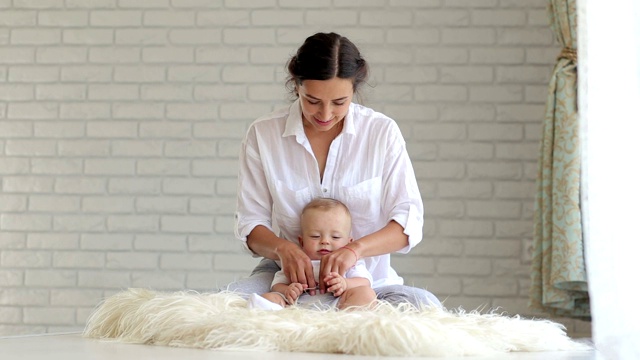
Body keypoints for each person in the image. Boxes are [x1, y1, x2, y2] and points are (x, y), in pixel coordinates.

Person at [231, 31, 441, 308]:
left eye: (339, 102)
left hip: (366, 281)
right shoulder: (264, 133)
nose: (325, 114)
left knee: (426, 306)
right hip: (287, 279)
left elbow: (408, 224)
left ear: (354, 90)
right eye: (313, 101)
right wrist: (284, 250)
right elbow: (250, 224)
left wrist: (355, 250)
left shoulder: (381, 132)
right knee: (226, 304)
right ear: (297, 86)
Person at [249, 198, 376, 310]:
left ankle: (349, 322)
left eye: (335, 237)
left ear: (349, 242)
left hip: (337, 305)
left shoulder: (348, 262)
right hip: (297, 306)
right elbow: (276, 285)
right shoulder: (298, 262)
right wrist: (288, 290)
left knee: (366, 294)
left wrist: (345, 283)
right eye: (315, 236)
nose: (325, 241)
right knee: (269, 298)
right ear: (301, 241)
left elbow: (365, 282)